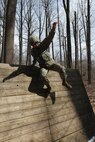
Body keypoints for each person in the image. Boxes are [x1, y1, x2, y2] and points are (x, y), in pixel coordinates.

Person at [29, 22, 72, 93]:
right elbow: (34, 59)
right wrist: (32, 65)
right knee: (42, 75)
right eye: (33, 44)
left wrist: (54, 28)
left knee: (62, 69)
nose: (35, 45)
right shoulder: (33, 52)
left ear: (38, 42)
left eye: (36, 43)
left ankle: (64, 82)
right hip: (44, 67)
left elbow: (49, 37)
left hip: (51, 64)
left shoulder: (42, 45)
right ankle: (48, 87)